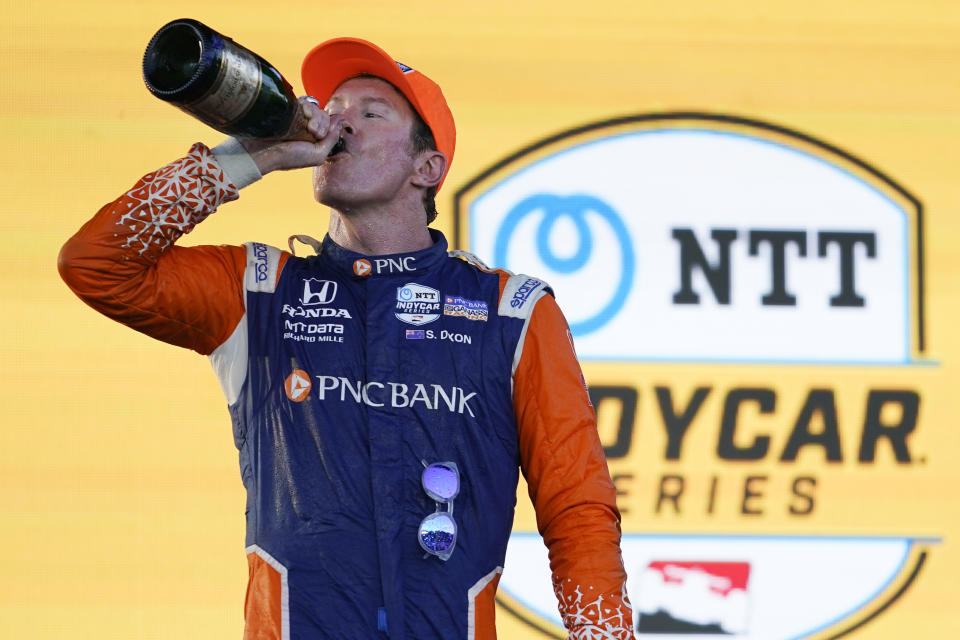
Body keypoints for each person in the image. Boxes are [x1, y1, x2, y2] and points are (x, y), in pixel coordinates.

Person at [59, 37, 632, 640]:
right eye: (333, 107)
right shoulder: (258, 291)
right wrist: (248, 154)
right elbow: (96, 265)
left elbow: (578, 509)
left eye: (370, 112)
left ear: (427, 168)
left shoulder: (511, 313)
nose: (338, 122)